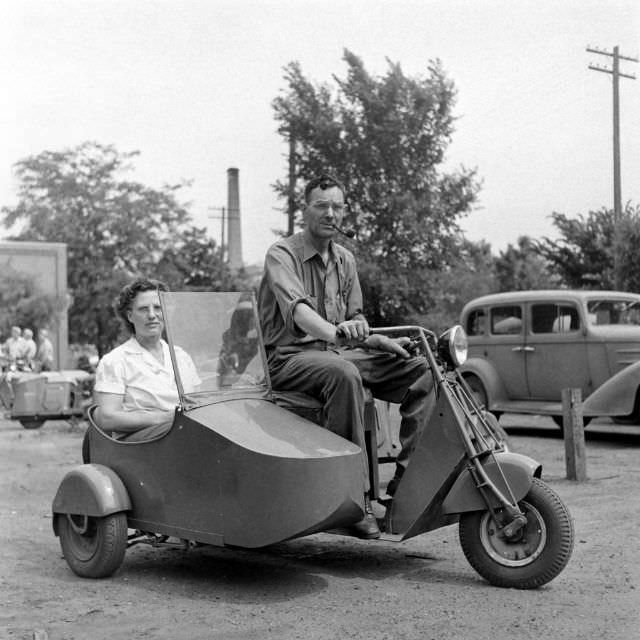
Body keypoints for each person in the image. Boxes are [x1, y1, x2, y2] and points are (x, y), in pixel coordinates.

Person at [258, 174, 435, 539]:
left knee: (423, 369)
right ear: (304, 209)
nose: (330, 213)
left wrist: (371, 337)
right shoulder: (282, 254)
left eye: (337, 206)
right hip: (288, 360)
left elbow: (355, 319)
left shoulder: (345, 260)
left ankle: (406, 485)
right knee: (343, 374)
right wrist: (338, 333)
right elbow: (300, 313)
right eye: (321, 205)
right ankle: (350, 501)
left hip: (339, 353)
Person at [94, 277, 199, 442]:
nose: (152, 315)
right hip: (144, 445)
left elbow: (198, 405)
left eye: (157, 307)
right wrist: (165, 418)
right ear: (130, 316)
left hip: (186, 437)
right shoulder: (116, 361)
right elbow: (107, 418)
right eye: (143, 309)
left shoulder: (181, 356)